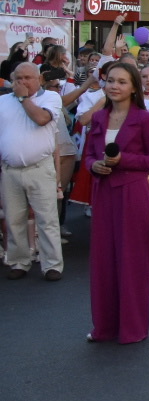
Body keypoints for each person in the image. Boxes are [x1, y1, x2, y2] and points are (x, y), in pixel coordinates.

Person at [84, 62, 149, 343]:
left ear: (133, 88)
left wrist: (123, 161)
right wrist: (95, 165)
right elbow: (88, 156)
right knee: (103, 260)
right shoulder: (98, 119)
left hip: (132, 193)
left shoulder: (144, 119)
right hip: (104, 192)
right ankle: (104, 327)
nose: (114, 86)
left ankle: (133, 328)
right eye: (110, 81)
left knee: (132, 261)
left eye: (121, 82)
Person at [0, 63, 64, 279]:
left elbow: (41, 119)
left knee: (47, 219)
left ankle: (52, 264)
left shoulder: (50, 99)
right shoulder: (2, 102)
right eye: (18, 78)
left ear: (38, 79)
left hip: (39, 167)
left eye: (28, 77)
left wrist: (23, 98)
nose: (22, 82)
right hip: (10, 170)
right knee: (14, 219)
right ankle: (19, 261)